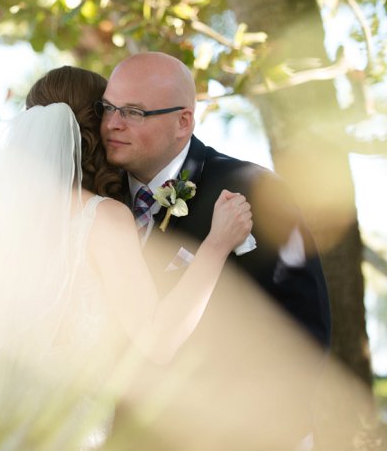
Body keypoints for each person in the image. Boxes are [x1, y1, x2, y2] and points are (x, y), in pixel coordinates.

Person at [0, 66, 254, 451]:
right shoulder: (101, 218)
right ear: (93, 125)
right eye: (110, 110)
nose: (117, 123)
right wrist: (217, 244)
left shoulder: (11, 225)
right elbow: (158, 340)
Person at [98, 52, 332, 450]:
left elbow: (302, 332)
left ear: (183, 121)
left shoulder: (252, 189)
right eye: (108, 108)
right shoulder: (96, 201)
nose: (113, 124)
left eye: (134, 112)